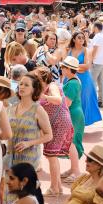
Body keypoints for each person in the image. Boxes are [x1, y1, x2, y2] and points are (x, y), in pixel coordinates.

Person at [32, 67, 73, 196]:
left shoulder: (52, 86)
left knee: (51, 156)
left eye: (36, 78)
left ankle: (54, 188)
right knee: (52, 157)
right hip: (55, 124)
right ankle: (58, 187)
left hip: (59, 123)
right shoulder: (41, 89)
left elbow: (58, 99)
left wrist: (43, 96)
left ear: (43, 78)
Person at [6, 73, 52, 170]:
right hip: (10, 157)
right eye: (21, 84)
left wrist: (29, 143)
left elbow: (49, 135)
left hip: (28, 159)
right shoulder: (11, 108)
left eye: (26, 85)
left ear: (34, 89)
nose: (22, 87)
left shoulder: (38, 110)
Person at [67, 31, 102, 126]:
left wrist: (71, 65)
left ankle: (80, 124)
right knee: (69, 101)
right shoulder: (68, 50)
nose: (82, 39)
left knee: (83, 101)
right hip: (69, 78)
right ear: (74, 39)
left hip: (84, 79)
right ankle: (70, 124)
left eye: (83, 38)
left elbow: (87, 66)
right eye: (79, 37)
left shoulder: (86, 50)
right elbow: (64, 64)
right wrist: (77, 67)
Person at [61, 56, 84, 183]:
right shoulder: (75, 80)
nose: (62, 70)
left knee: (71, 143)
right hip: (76, 113)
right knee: (71, 142)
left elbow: (67, 103)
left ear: (69, 69)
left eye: (63, 68)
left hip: (73, 114)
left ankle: (76, 171)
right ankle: (73, 169)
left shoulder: (72, 83)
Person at [90, 22, 103, 108]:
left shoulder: (97, 36)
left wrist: (91, 60)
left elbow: (95, 49)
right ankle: (100, 101)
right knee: (101, 83)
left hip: (96, 62)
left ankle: (93, 101)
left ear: (96, 27)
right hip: (102, 62)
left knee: (93, 82)